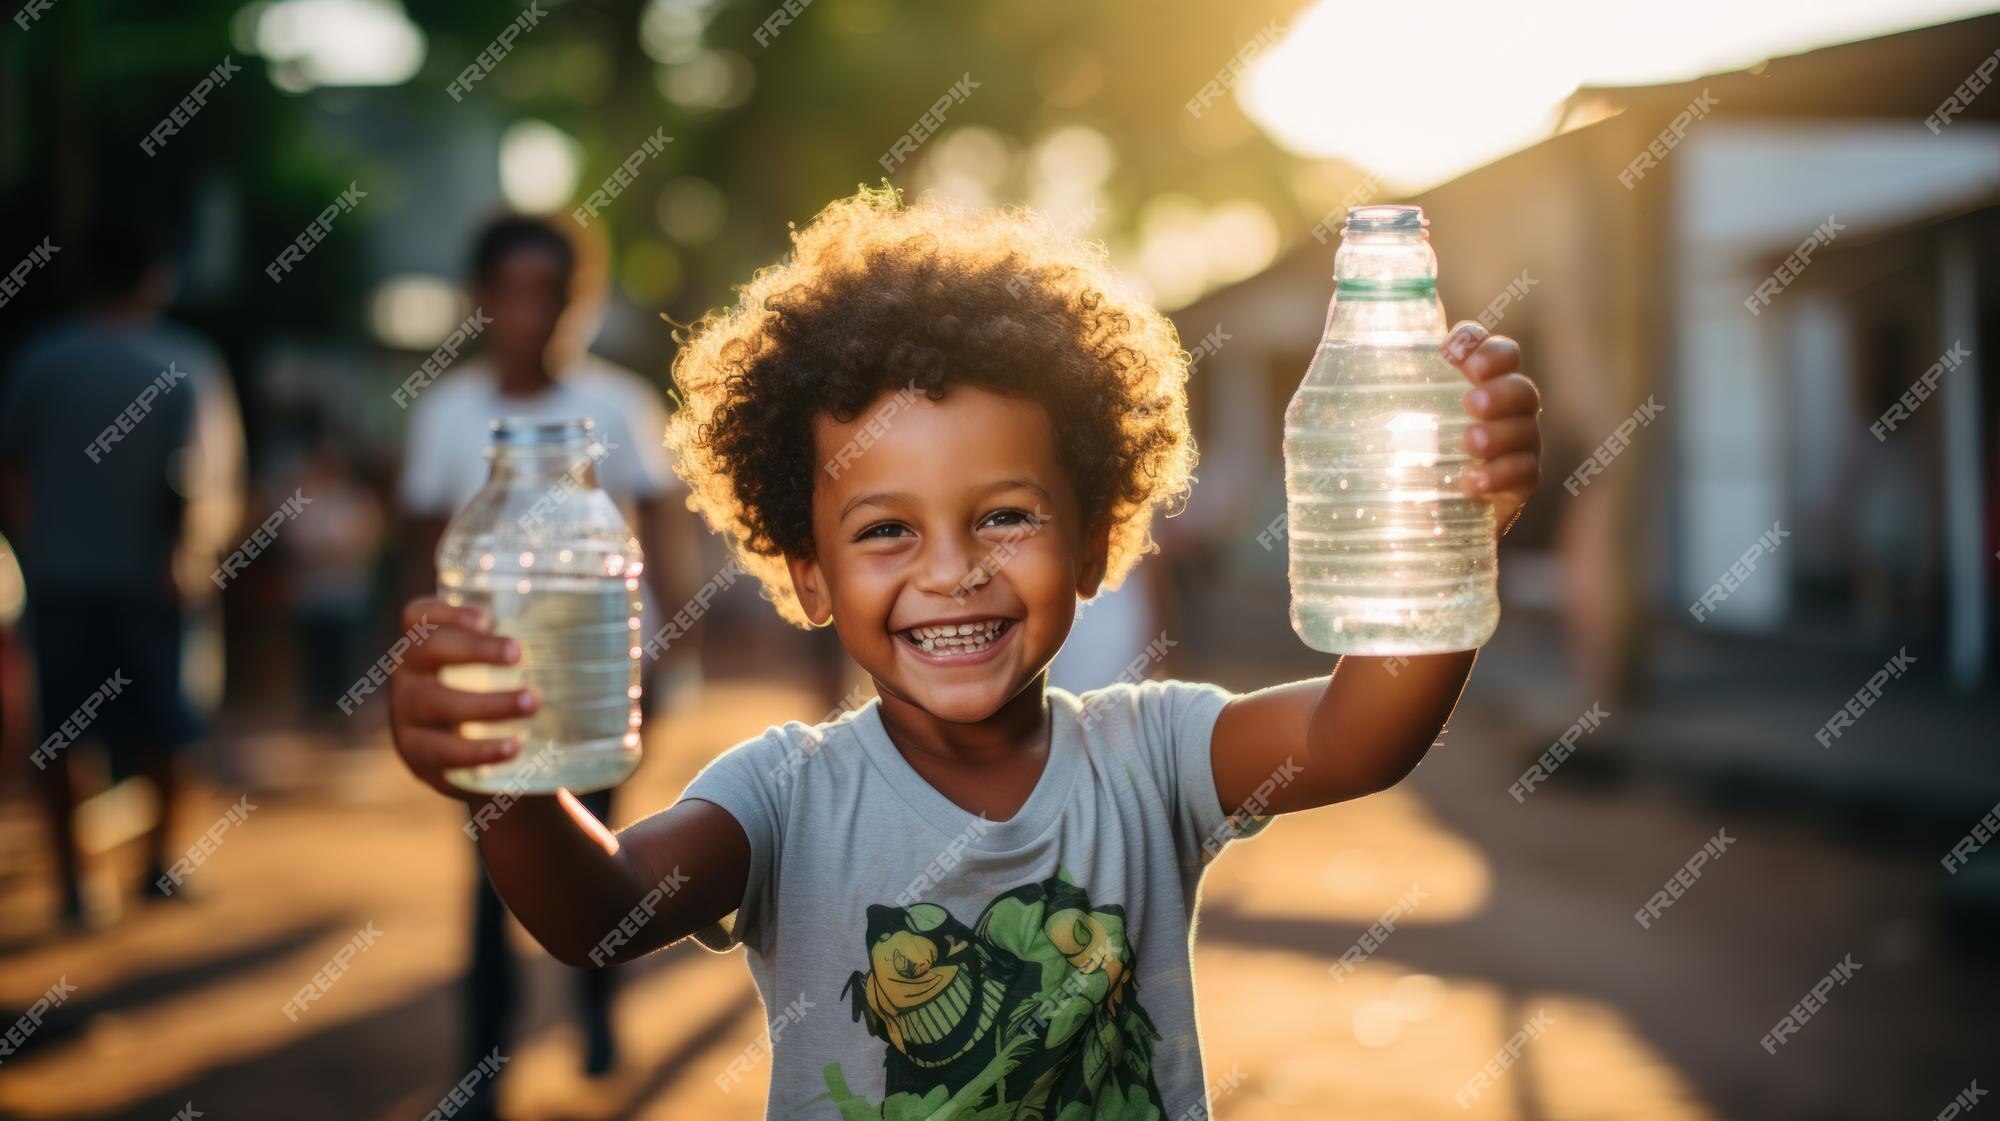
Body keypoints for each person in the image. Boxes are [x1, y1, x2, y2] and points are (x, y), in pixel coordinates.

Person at [386, 187, 1543, 1116]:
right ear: (806, 571)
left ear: (1096, 543)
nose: (951, 569)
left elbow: (1360, 731)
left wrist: (1448, 535)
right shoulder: (786, 793)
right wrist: (511, 790)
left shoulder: (1151, 752)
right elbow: (605, 914)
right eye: (885, 529)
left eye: (1004, 515)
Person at [396, 214, 690, 1108]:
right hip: (495, 684)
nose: (533, 313)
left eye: (553, 293)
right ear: (479, 301)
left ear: (582, 299)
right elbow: (420, 554)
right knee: (492, 867)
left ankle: (597, 1010)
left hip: (598, 676)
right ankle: (483, 1062)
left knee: (606, 852)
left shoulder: (619, 405)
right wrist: (416, 664)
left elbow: (662, 537)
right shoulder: (449, 413)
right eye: (512, 292)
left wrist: (670, 646)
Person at [0, 211, 218, 927]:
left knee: (64, 730)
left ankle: (74, 881)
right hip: (147, 580)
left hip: (59, 576)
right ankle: (155, 864)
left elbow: (14, 470)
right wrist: (181, 559)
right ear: (155, 278)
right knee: (164, 727)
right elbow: (187, 480)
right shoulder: (177, 364)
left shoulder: (41, 357)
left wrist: (38, 547)